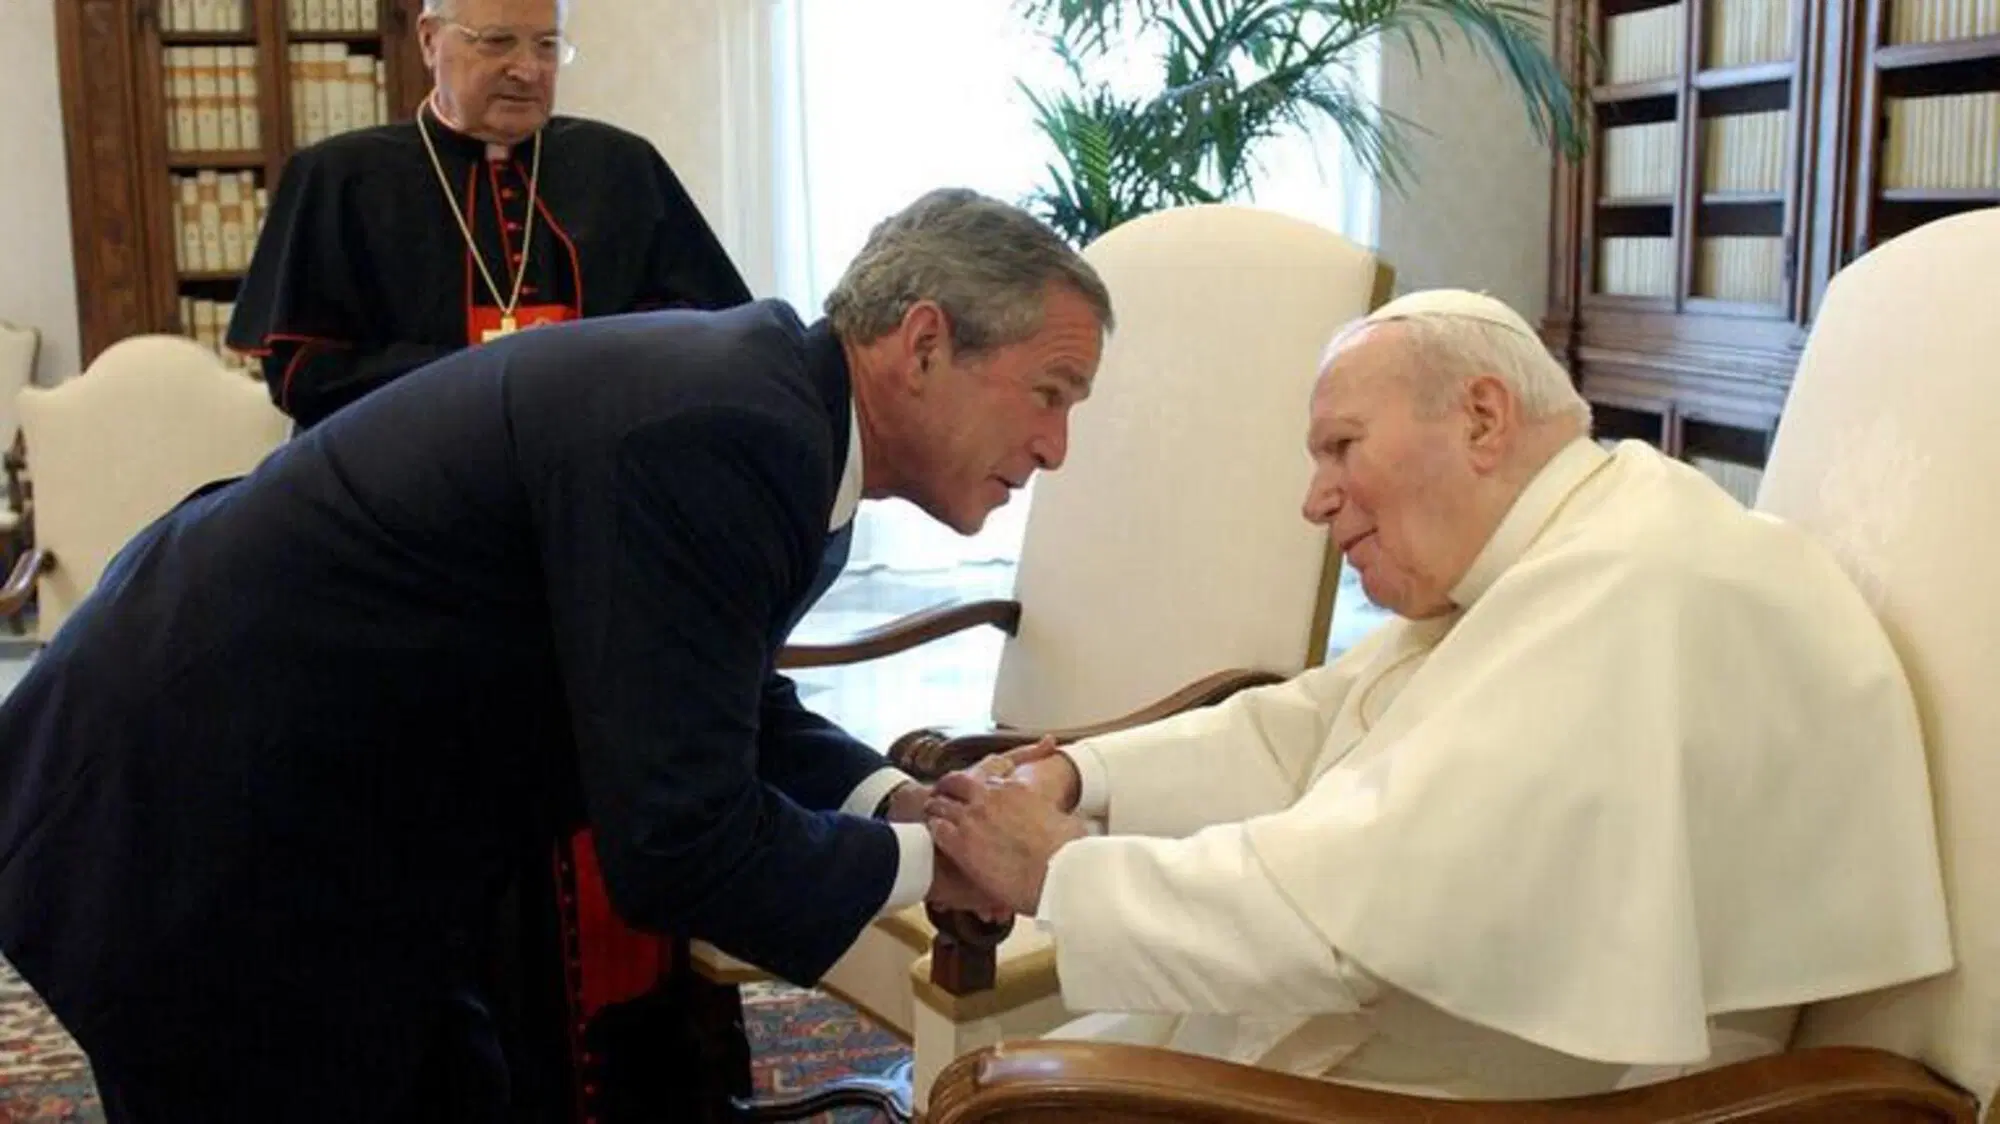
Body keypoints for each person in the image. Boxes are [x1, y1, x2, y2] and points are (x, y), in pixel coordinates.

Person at [0, 187, 1113, 1124]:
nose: (1057, 448)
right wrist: (949, 863)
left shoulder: (780, 415)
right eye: (1049, 394)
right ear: (923, 343)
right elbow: (681, 844)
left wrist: (903, 805)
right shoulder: (735, 431)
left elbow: (718, 698)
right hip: (195, 828)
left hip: (336, 831)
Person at [925, 288, 1954, 1100]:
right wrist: (1085, 772)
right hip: (1464, 1027)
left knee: (1031, 1089)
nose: (1311, 496)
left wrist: (1061, 871)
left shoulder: (1628, 582)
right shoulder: (1569, 530)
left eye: (1340, 444)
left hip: (1558, 1080)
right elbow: (1315, 723)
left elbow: (1337, 916)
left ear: (1481, 416)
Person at [226, 0, 752, 430]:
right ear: (430, 39)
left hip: (593, 461)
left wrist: (586, 370)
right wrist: (483, 377)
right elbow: (303, 373)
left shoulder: (622, 165)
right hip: (407, 475)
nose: (527, 69)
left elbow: (707, 329)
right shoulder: (340, 176)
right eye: (498, 42)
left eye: (547, 46)